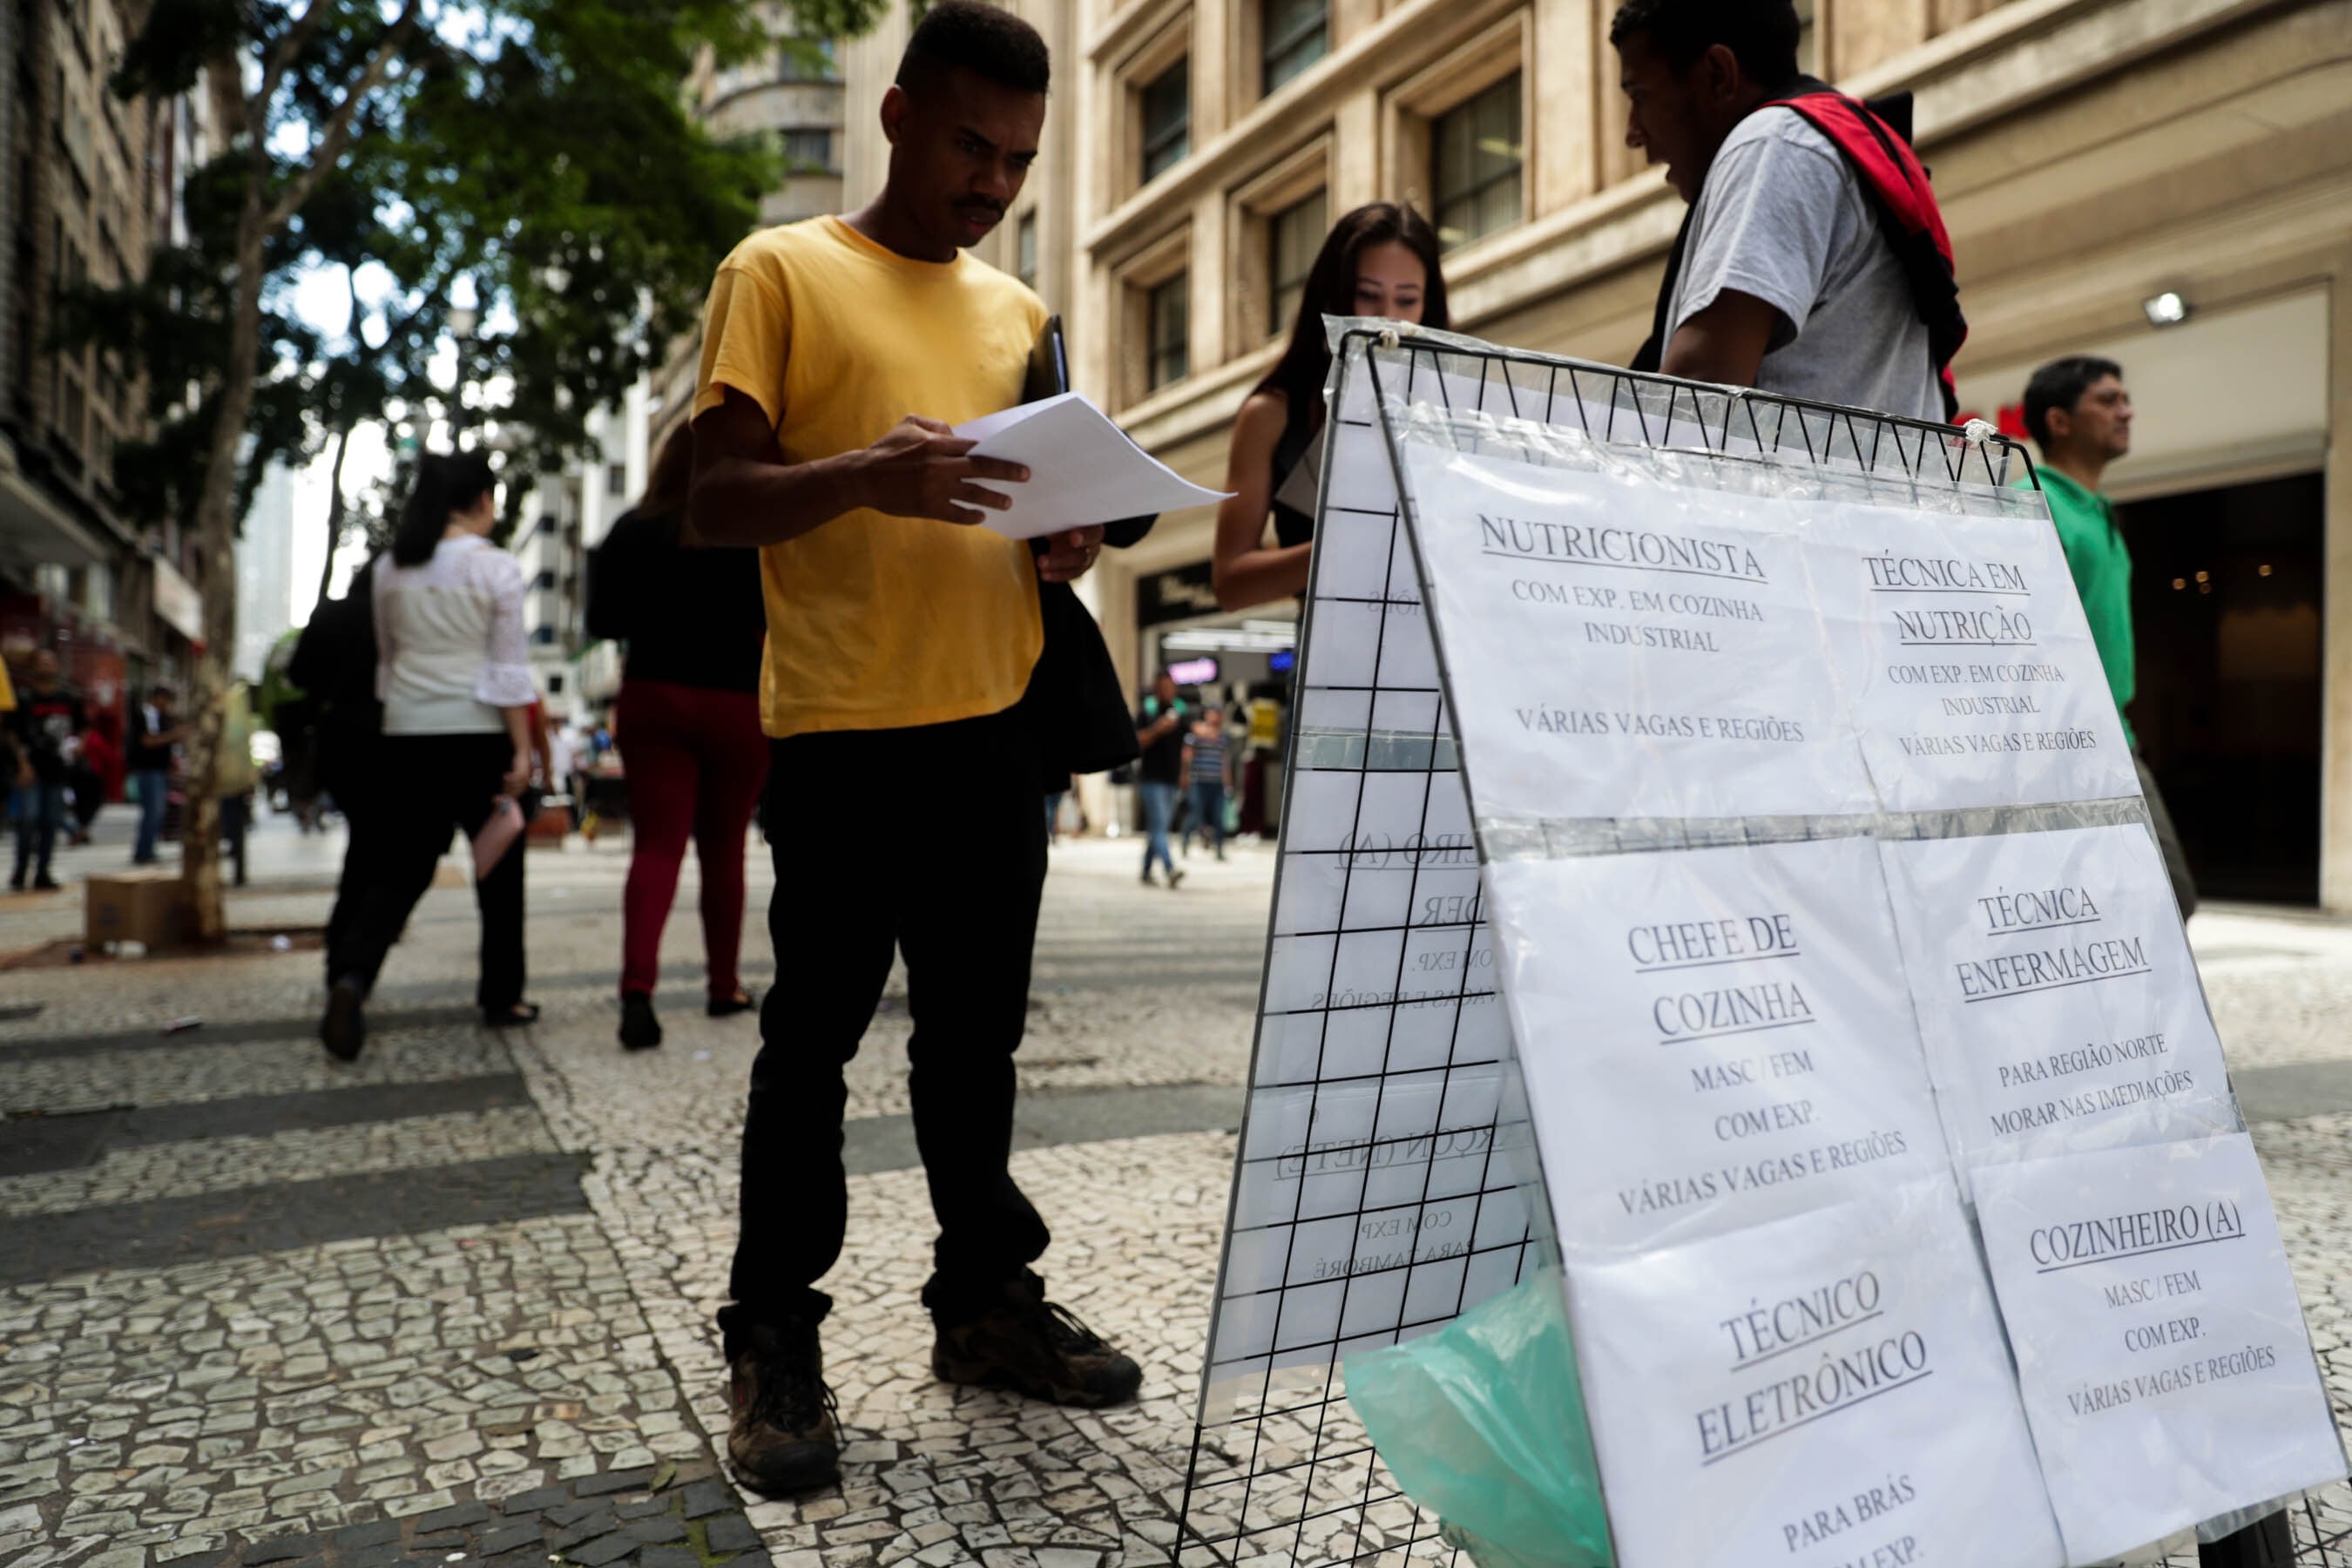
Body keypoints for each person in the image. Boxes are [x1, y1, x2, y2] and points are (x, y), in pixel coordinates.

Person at [683, 0, 1139, 1498]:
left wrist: (1067, 535)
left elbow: (1034, 512)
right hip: (838, 735)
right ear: (895, 114)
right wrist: (858, 475)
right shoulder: (781, 271)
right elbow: (713, 503)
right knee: (810, 1047)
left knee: (973, 1048)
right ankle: (773, 1334)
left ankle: (983, 1307)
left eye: (1016, 157)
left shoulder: (1019, 315)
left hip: (992, 733)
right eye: (967, 145)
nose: (992, 181)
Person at [1612, 0, 1961, 422]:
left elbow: (1695, 399)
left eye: (1639, 96)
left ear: (1717, 76)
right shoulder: (1820, 143)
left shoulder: (1773, 144)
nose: (1633, 133)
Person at [317, 451, 540, 1061]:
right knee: (498, 872)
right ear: (480, 503)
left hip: (408, 736)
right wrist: (522, 752)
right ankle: (502, 998)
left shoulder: (391, 569)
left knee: (397, 871)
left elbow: (388, 664)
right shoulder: (496, 569)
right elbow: (507, 669)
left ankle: (352, 977)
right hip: (479, 733)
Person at [588, 424, 770, 1052]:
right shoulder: (749, 530)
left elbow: (602, 618)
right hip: (737, 704)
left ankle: (638, 989)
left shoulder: (632, 531)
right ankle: (724, 985)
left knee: (657, 847)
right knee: (725, 852)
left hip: (654, 697)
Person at [1212, 203, 1450, 612]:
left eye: (1407, 300)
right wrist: (1345, 543)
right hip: (1333, 656)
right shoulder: (1273, 414)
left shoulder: (1453, 402)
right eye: (1368, 295)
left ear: (1428, 307)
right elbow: (1230, 582)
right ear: (1334, 295)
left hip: (1444, 650)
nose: (1387, 317)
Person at [2024, 355, 2197, 916]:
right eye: (2107, 400)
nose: (2127, 411)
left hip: (2114, 739)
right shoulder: (2035, 504)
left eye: (2125, 399)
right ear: (2059, 421)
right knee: (2164, 897)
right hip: (2065, 746)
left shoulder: (2099, 513)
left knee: (2138, 902)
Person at [6, 650, 85, 890]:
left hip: (57, 770)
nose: (46, 667)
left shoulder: (68, 698)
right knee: (28, 821)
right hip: (30, 769)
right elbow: (11, 734)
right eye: (41, 663)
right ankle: (20, 871)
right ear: (34, 667)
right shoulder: (24, 698)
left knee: (51, 822)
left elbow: (84, 727)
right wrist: (21, 764)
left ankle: (43, 872)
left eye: (51, 662)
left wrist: (79, 746)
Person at [1133, 672, 1186, 889]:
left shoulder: (1179, 713)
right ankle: (1169, 868)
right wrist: (1158, 729)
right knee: (1159, 827)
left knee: (1159, 827)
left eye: (1170, 687)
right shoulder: (1147, 712)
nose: (1167, 691)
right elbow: (1137, 741)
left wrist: (1185, 774)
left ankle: (1146, 870)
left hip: (1172, 779)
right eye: (1163, 687)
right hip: (1151, 779)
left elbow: (1187, 747)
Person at [125, 682, 188, 865]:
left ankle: (147, 848)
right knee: (153, 810)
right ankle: (144, 851)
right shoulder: (148, 714)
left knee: (156, 811)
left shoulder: (161, 716)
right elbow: (149, 741)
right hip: (149, 770)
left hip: (158, 771)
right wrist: (174, 735)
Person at [1184, 703, 1231, 862]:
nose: (1216, 717)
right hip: (1199, 781)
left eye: (1218, 713)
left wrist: (1228, 784)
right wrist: (1185, 776)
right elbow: (1187, 755)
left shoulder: (1223, 737)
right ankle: (1185, 841)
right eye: (1213, 713)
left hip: (1217, 782)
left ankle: (1219, 848)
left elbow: (1224, 761)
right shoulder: (1196, 734)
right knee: (1196, 813)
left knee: (1218, 817)